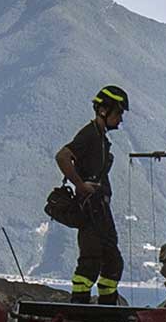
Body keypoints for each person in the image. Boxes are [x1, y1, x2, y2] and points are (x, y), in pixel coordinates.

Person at [55, 85, 129, 305]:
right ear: (105, 111)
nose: (120, 120)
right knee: (90, 262)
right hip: (91, 208)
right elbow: (62, 156)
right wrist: (79, 184)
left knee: (113, 262)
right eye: (118, 113)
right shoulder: (89, 134)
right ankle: (79, 311)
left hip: (101, 208)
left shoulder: (101, 138)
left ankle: (106, 310)